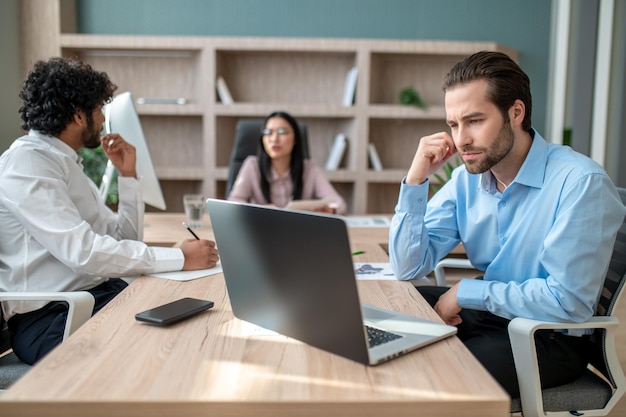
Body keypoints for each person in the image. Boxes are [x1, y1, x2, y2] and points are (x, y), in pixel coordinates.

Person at [388, 51, 626, 397]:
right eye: (453, 125)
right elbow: (407, 265)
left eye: (474, 121)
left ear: (516, 113)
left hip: (547, 336)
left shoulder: (580, 182)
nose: (460, 140)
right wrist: (415, 180)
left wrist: (466, 292)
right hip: (490, 313)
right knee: (390, 315)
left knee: (434, 376)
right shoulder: (466, 181)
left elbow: (568, 301)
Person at [0, 57, 219, 365]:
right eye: (99, 109)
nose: (103, 119)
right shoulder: (28, 164)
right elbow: (83, 252)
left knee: (197, 310)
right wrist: (180, 258)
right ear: (78, 115)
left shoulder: (65, 162)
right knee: (179, 343)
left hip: (94, 297)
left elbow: (124, 238)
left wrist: (127, 176)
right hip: (52, 320)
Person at [228, 111, 347, 214]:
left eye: (282, 132)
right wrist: (259, 210)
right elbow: (233, 203)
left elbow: (339, 204)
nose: (274, 139)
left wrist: (331, 210)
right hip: (262, 230)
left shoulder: (309, 168)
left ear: (295, 139)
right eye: (268, 133)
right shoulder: (252, 165)